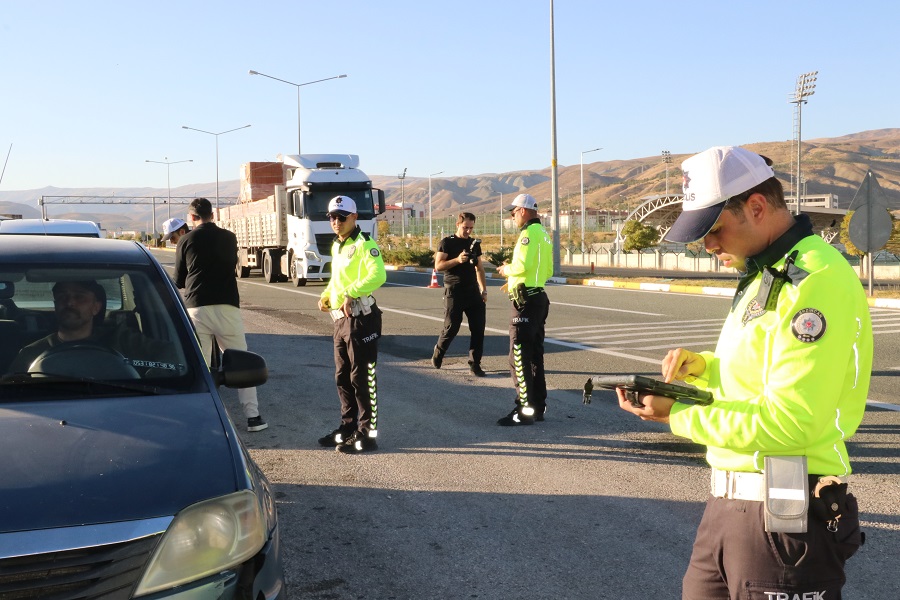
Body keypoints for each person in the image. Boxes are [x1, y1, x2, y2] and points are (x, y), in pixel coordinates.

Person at [615, 146, 872, 599]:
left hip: (783, 514)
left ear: (756, 206)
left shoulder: (815, 279)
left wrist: (678, 415)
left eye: (714, 229)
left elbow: (792, 421)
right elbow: (761, 376)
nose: (707, 244)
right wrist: (705, 371)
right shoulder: (766, 271)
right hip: (729, 505)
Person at [174, 197, 268, 433]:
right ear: (212, 214)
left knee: (202, 364)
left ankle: (204, 418)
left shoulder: (186, 239)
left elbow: (178, 279)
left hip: (198, 307)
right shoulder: (229, 237)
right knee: (241, 361)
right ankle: (253, 417)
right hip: (228, 305)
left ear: (193, 217)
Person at [317, 195, 386, 454]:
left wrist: (352, 292)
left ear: (354, 217)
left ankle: (367, 435)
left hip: (362, 320)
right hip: (341, 321)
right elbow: (338, 280)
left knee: (362, 379)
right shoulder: (338, 246)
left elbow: (378, 275)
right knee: (342, 377)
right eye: (332, 217)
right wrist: (327, 295)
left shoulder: (365, 244)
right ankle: (348, 428)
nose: (336, 222)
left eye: (341, 217)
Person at [8, 280, 176, 374]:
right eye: (62, 297)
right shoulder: (31, 353)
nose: (69, 302)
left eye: (79, 297)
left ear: (96, 307)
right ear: (55, 305)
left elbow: (175, 355)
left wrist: (156, 374)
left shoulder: (123, 340)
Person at [495, 193, 553, 426]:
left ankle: (524, 409)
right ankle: (537, 406)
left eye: (513, 211)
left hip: (525, 304)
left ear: (523, 210)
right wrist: (515, 281)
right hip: (537, 296)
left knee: (518, 356)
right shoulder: (544, 235)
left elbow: (521, 265)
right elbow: (546, 271)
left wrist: (507, 270)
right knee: (534, 357)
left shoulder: (528, 234)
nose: (512, 216)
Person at [431, 212, 488, 376]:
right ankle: (439, 351)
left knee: (478, 329)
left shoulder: (474, 244)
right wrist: (457, 260)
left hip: (473, 292)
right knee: (451, 327)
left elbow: (480, 269)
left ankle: (475, 363)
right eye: (465, 227)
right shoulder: (447, 243)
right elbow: (438, 266)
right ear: (458, 224)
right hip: (454, 291)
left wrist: (483, 290)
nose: (468, 231)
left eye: (471, 228)